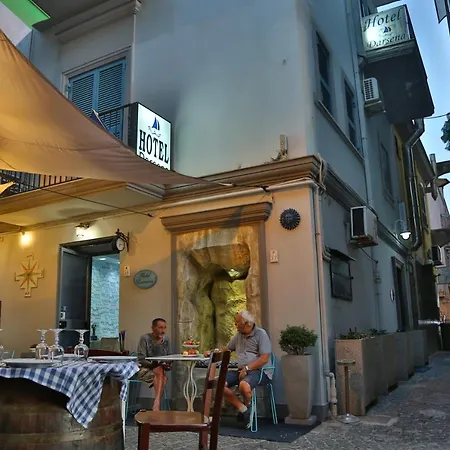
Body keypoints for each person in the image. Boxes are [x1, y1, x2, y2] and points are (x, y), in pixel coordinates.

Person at [205, 310, 272, 428]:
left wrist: (247, 368)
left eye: (237, 322)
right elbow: (227, 349)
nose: (235, 325)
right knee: (218, 383)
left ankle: (247, 409)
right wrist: (213, 352)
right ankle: (244, 409)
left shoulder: (261, 334)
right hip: (241, 370)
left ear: (247, 324)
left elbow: (264, 358)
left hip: (259, 371)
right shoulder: (239, 335)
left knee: (244, 385)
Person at [137, 318, 171, 411]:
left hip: (159, 370)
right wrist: (154, 365)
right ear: (153, 328)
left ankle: (156, 403)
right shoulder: (145, 338)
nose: (163, 331)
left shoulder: (166, 340)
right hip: (145, 369)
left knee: (161, 372)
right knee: (163, 377)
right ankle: (157, 403)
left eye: (164, 328)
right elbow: (141, 359)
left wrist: (167, 364)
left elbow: (169, 357)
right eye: (160, 328)